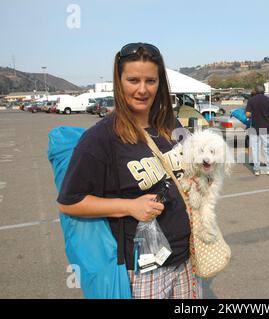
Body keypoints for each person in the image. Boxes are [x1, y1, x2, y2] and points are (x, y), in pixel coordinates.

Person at [57, 43, 201, 299]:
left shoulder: (170, 124)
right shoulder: (100, 138)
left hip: (186, 258)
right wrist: (129, 207)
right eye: (133, 80)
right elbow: (70, 203)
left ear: (161, 84)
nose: (142, 89)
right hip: (144, 270)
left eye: (151, 80)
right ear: (119, 80)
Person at [245, 84, 269, 176]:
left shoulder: (251, 100)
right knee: (267, 148)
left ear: (256, 90)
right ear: (264, 90)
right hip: (266, 128)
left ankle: (257, 169)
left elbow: (247, 114)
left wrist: (254, 114)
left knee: (255, 149)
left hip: (255, 127)